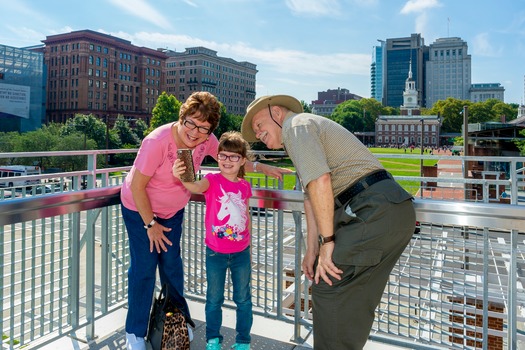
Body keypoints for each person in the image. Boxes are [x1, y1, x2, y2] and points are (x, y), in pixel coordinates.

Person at [241, 95, 415, 350]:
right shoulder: (302, 131)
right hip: (391, 210)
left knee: (328, 288)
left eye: (259, 125)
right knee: (355, 297)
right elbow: (312, 198)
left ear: (276, 112)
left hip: (370, 209)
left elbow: (320, 182)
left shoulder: (296, 126)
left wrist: (328, 243)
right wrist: (311, 251)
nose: (258, 134)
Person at [121, 91, 286, 350]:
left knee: (172, 267)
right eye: (191, 123)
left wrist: (262, 167)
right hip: (140, 210)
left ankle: (178, 321)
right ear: (182, 117)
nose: (195, 132)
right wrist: (150, 225)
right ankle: (135, 332)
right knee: (143, 269)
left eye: (204, 128)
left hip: (172, 212)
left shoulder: (206, 140)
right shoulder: (158, 141)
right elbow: (138, 187)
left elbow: (230, 156)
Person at [173, 131, 253, 350]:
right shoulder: (212, 180)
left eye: (234, 156)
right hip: (215, 253)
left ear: (242, 160)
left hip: (241, 254)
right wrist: (181, 175)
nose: (228, 160)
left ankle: (243, 341)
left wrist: (249, 246)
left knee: (243, 299)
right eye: (223, 155)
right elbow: (194, 187)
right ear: (217, 157)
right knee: (214, 299)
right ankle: (213, 339)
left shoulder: (245, 186)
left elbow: (246, 216)